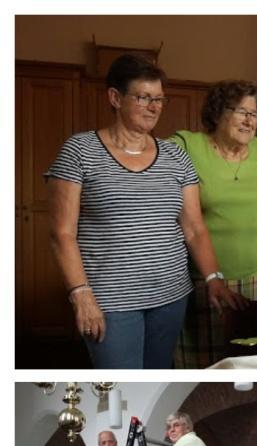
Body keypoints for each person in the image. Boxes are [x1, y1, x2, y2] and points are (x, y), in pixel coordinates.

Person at [46, 53, 242, 368]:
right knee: (119, 381)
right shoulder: (80, 150)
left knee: (157, 373)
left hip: (171, 295)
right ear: (115, 98)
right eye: (143, 98)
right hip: (109, 301)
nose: (154, 107)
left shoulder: (175, 156)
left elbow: (193, 228)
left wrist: (214, 276)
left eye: (159, 99)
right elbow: (62, 233)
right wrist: (80, 293)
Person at [170, 81, 257, 367]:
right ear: (217, 113)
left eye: (254, 113)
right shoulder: (187, 145)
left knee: (249, 366)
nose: (249, 120)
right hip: (204, 281)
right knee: (202, 368)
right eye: (240, 111)